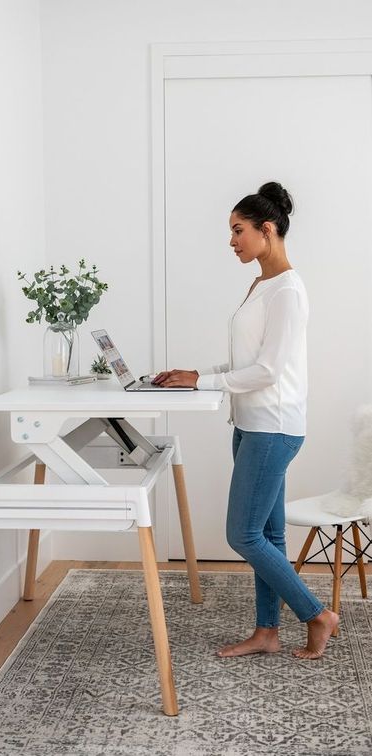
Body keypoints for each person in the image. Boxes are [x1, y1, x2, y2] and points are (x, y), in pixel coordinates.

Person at [153, 181, 338, 660]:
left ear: (267, 229)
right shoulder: (261, 283)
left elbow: (268, 371)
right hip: (251, 424)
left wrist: (203, 384)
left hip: (273, 427)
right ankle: (267, 632)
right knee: (270, 536)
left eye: (239, 230)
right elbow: (246, 359)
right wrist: (196, 374)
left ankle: (317, 614)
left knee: (244, 535)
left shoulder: (289, 291)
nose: (232, 240)